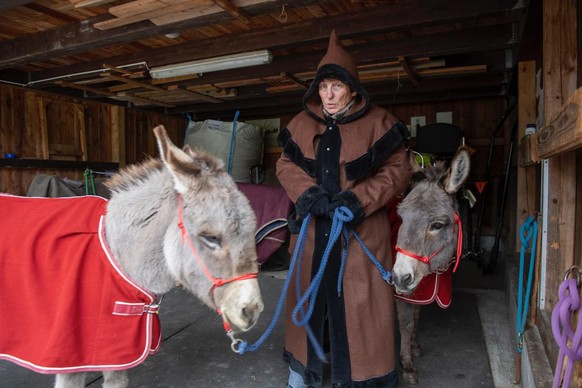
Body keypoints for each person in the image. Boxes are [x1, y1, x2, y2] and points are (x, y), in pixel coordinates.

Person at [276, 30, 413, 387]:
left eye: (336, 86)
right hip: (311, 239)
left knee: (359, 314)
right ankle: (300, 376)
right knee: (308, 307)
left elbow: (398, 170)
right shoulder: (302, 123)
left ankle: (359, 379)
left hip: (359, 240)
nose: (329, 95)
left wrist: (358, 200)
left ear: (353, 88)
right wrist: (308, 195)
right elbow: (285, 166)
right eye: (323, 87)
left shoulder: (380, 123)